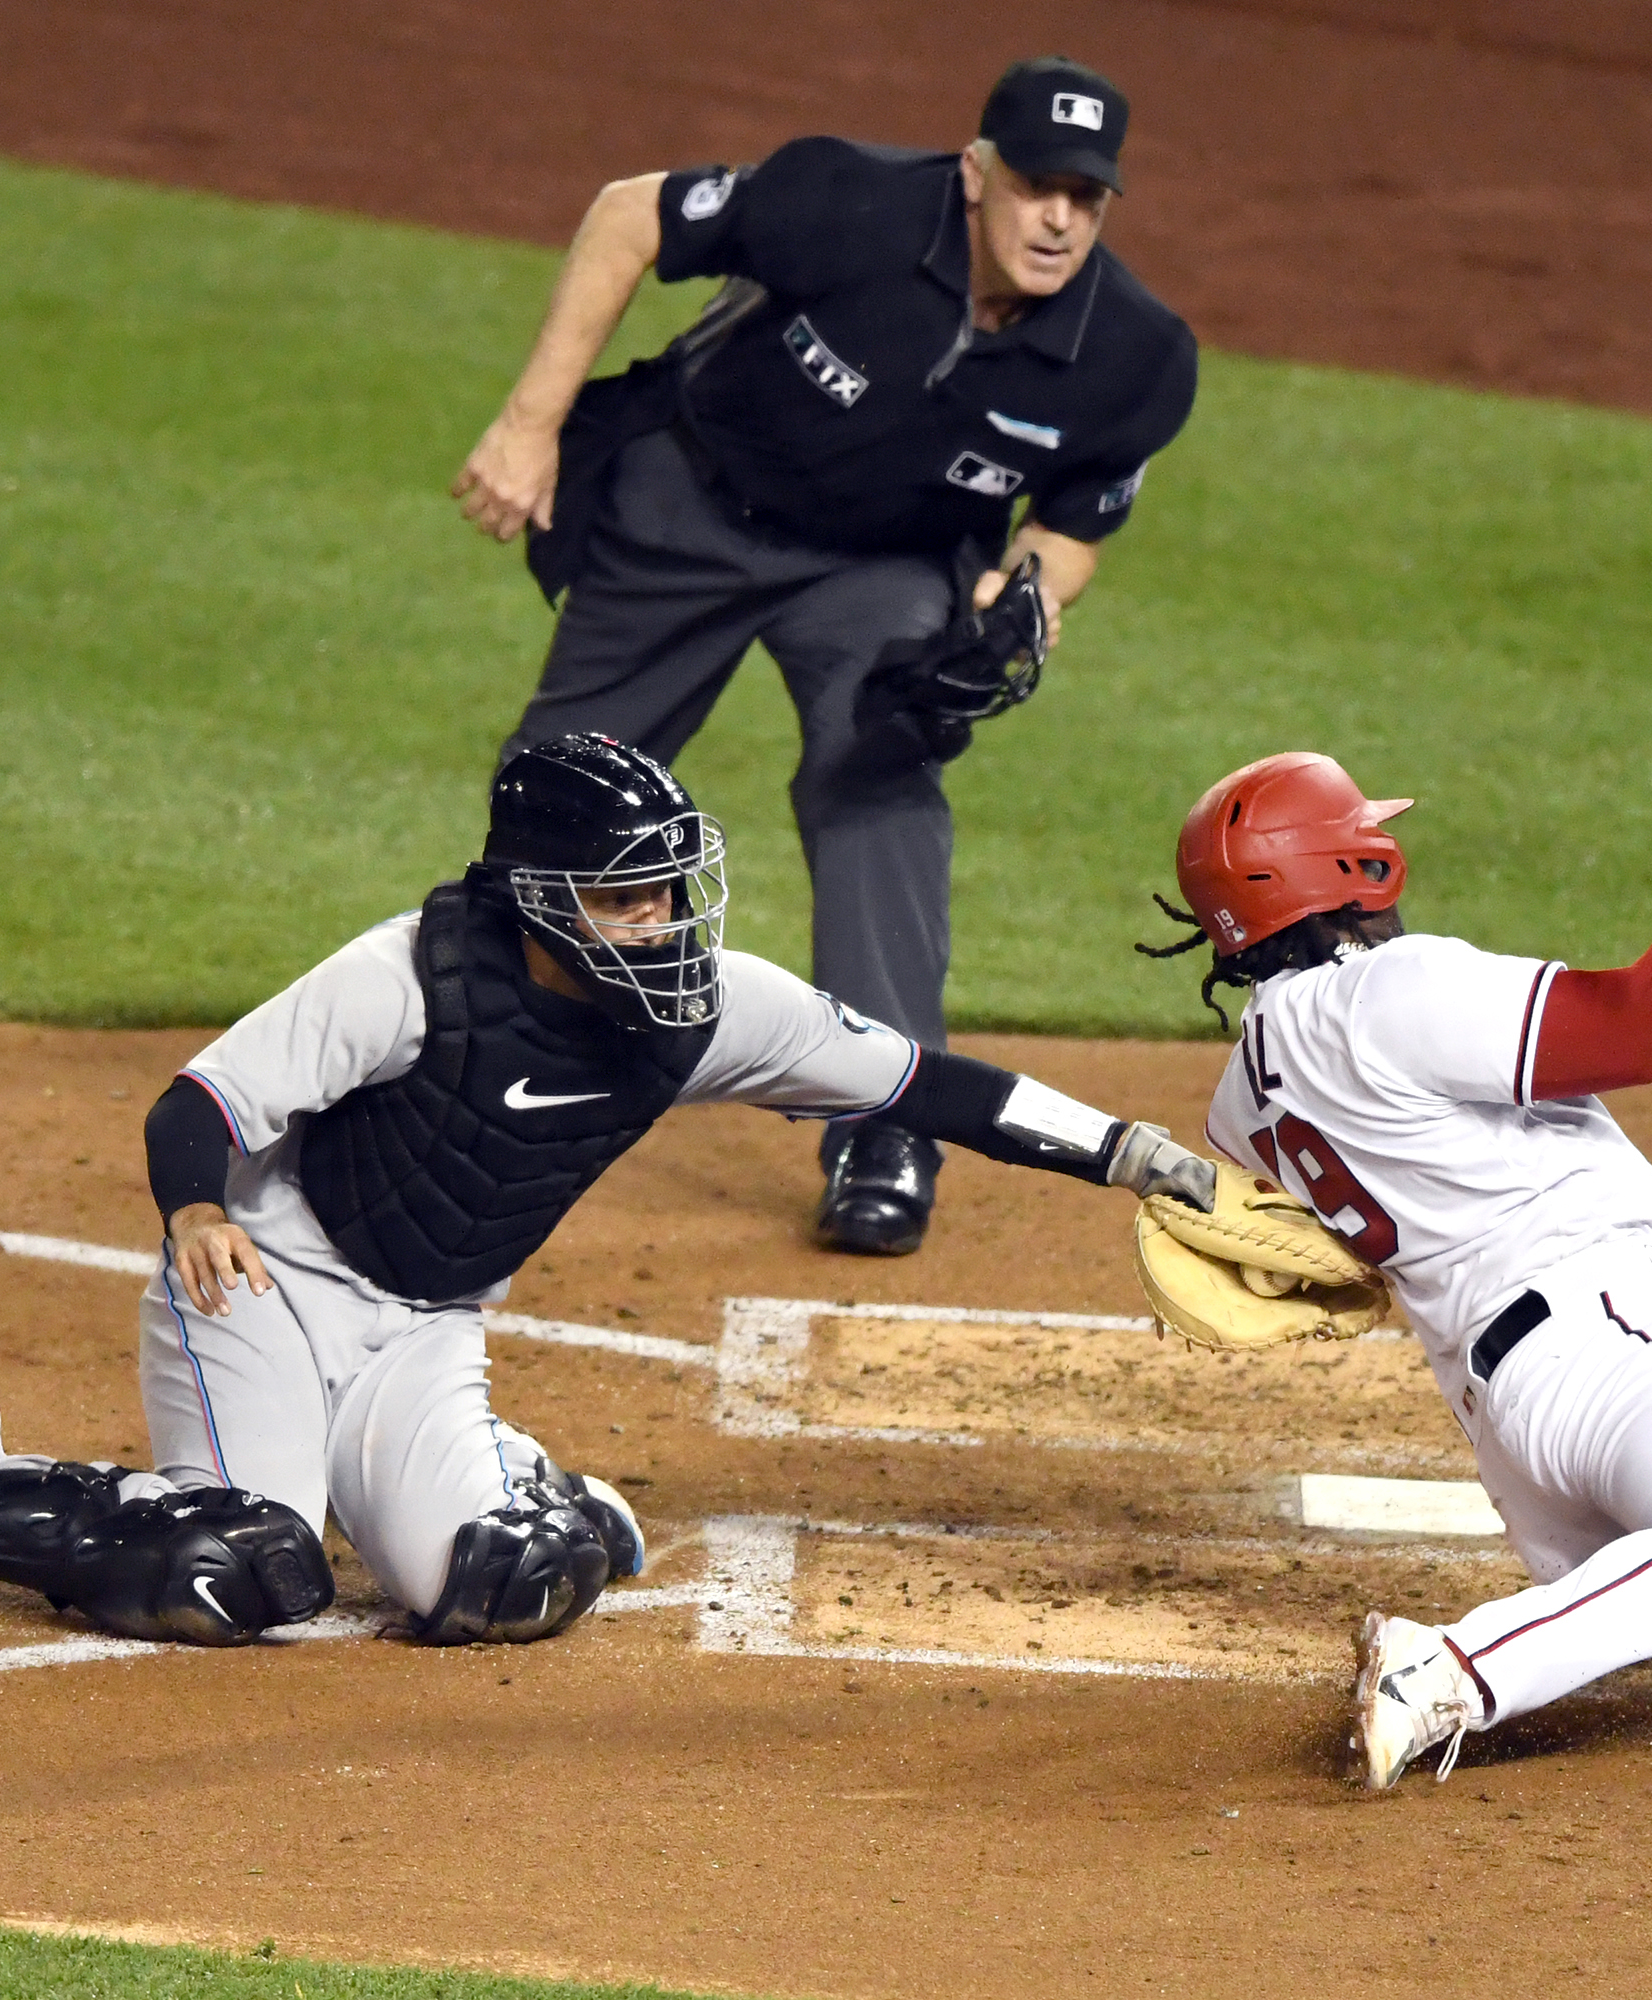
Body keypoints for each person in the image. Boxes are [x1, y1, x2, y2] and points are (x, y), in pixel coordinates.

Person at [0, 735, 1214, 1647]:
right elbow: (202, 1104)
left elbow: (928, 1088)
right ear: (538, 894)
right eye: (629, 899)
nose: (663, 925)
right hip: (262, 1293)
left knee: (505, 1585)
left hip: (429, 1330)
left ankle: (524, 1489)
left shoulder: (711, 1009)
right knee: (241, 1569)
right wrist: (194, 1210)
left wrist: (1129, 1152)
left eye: (670, 894)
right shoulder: (408, 976)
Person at [1139, 698, 1652, 1790]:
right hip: (1611, 1342)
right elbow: (1639, 1024)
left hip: (1512, 1426)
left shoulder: (1239, 1101)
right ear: (1353, 866)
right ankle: (1444, 1669)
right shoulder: (1390, 989)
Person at [449, 56, 1198, 1260]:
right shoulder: (842, 201)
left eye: (1086, 197)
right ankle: (475, 1054)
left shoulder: (1137, 356)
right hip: (689, 504)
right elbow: (629, 210)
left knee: (882, 775)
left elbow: (1070, 528)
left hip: (885, 566)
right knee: (563, 784)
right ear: (977, 174)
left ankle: (886, 1122)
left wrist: (1027, 606)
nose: (1058, 218)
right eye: (1035, 187)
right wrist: (530, 420)